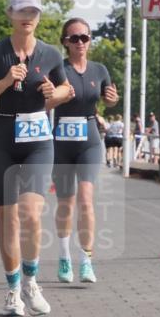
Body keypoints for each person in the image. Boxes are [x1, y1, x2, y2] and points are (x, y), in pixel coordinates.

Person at [0, 0, 72, 317]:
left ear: (39, 17)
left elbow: (66, 88)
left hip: (38, 139)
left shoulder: (51, 54)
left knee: (30, 213)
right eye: (22, 11)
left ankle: (31, 282)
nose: (28, 17)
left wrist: (56, 94)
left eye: (34, 12)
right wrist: (5, 82)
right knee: (7, 219)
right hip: (3, 138)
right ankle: (12, 291)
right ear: (10, 13)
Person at [47, 18, 118, 284]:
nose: (80, 43)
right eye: (74, 38)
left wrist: (113, 100)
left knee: (86, 199)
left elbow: (109, 97)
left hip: (89, 139)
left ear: (90, 40)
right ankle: (64, 257)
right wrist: (55, 96)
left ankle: (86, 260)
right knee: (66, 202)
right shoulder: (58, 69)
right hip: (61, 141)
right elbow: (44, 100)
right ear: (65, 42)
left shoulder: (99, 70)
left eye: (85, 38)